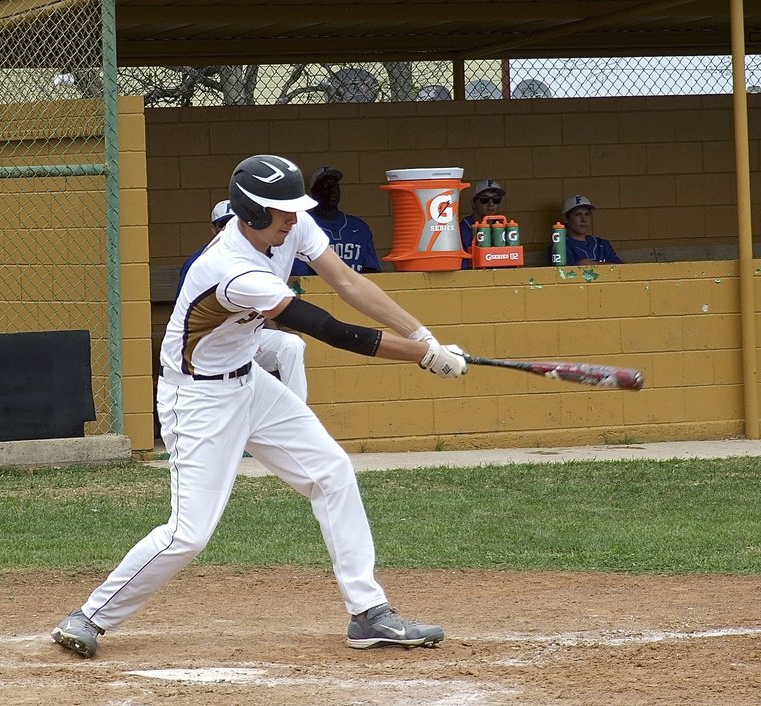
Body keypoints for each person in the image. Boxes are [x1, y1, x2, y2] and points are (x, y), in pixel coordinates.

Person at [52, 154, 466, 659]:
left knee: (332, 472)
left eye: (294, 209)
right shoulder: (231, 269)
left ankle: (368, 612)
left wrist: (423, 335)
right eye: (281, 211)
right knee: (189, 534)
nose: (294, 218)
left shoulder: (290, 224)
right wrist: (424, 357)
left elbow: (349, 283)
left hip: (250, 382)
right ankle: (90, 615)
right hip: (198, 399)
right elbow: (330, 330)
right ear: (251, 214)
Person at [179, 200, 308, 401]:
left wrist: (264, 336)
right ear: (213, 229)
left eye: (233, 222)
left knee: (291, 345)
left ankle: (298, 416)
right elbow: (185, 320)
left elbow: (268, 307)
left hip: (249, 337)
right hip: (212, 346)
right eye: (223, 224)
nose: (228, 228)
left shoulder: (260, 257)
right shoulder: (200, 263)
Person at [290, 166, 380, 276]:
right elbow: (299, 274)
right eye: (325, 186)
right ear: (314, 192)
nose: (332, 190)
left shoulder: (359, 227)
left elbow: (372, 271)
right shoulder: (302, 225)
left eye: (335, 185)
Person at [555, 195, 623, 265]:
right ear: (566, 218)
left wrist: (590, 264)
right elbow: (567, 271)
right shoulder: (560, 246)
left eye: (587, 214)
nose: (584, 219)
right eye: (578, 214)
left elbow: (621, 268)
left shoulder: (602, 244)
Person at [458, 179, 506, 270]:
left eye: (496, 200)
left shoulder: (501, 227)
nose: (491, 204)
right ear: (473, 203)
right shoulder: (463, 227)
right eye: (484, 199)